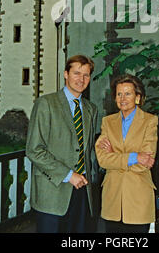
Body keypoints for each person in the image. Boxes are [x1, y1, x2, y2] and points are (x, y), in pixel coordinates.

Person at [26, 55, 98, 233]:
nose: (81, 79)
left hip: (83, 191)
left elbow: (87, 151)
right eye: (76, 73)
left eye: (86, 75)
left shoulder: (91, 109)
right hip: (53, 192)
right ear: (65, 74)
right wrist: (68, 175)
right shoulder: (46, 104)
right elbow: (34, 150)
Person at [95, 74, 158, 234]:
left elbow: (145, 163)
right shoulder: (107, 122)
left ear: (137, 96)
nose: (123, 98)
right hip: (112, 200)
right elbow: (102, 160)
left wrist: (114, 156)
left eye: (128, 93)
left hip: (138, 200)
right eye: (119, 94)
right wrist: (134, 157)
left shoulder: (150, 121)